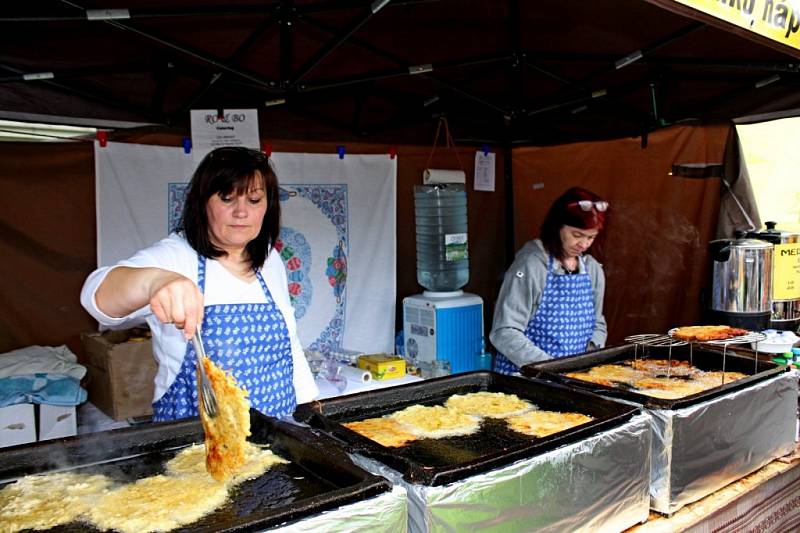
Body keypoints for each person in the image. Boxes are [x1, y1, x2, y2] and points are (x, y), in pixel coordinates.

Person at [81, 147, 318, 421]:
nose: (242, 212)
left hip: (279, 432)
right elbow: (95, 297)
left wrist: (307, 405)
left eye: (254, 200)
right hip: (197, 444)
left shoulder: (269, 257)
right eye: (227, 199)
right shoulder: (176, 256)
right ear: (203, 203)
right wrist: (156, 281)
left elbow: (290, 341)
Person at [490, 186, 609, 374]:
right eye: (577, 235)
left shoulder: (592, 269)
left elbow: (598, 323)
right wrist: (550, 368)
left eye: (591, 237)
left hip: (572, 379)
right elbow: (504, 332)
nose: (584, 244)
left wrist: (589, 357)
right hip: (525, 378)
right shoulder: (531, 265)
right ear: (557, 227)